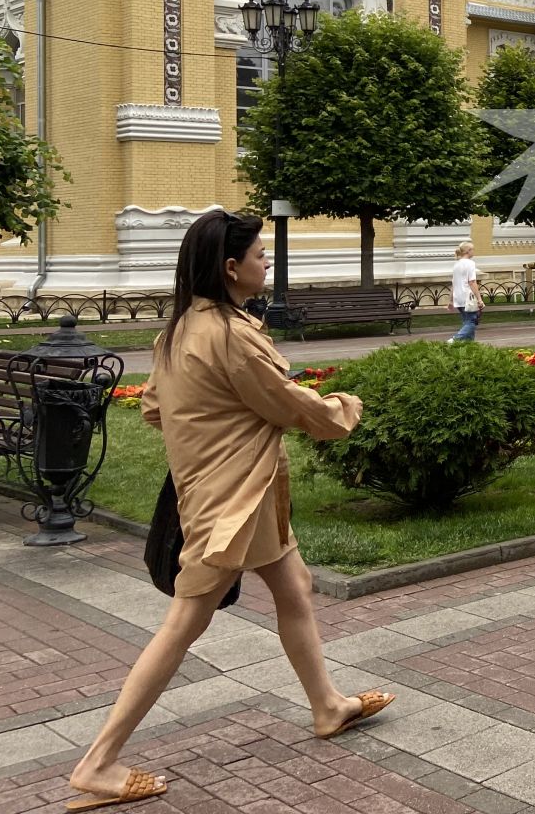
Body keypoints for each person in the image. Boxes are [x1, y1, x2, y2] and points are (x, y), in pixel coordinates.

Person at [68, 211, 389, 811]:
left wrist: (212, 423)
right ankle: (98, 763)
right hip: (231, 501)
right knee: (185, 624)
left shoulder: (178, 330)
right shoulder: (231, 333)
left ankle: (326, 706)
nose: (268, 261)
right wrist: (348, 407)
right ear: (231, 267)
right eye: (260, 254)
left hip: (242, 492)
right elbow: (291, 405)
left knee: (294, 585)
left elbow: (155, 409)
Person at [446, 241, 482, 343]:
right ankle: (454, 340)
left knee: (466, 321)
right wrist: (479, 299)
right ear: (468, 251)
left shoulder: (457, 264)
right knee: (472, 322)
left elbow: (454, 283)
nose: (474, 252)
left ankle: (469, 345)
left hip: (458, 297)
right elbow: (472, 282)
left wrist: (450, 300)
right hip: (467, 297)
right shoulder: (470, 264)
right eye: (472, 249)